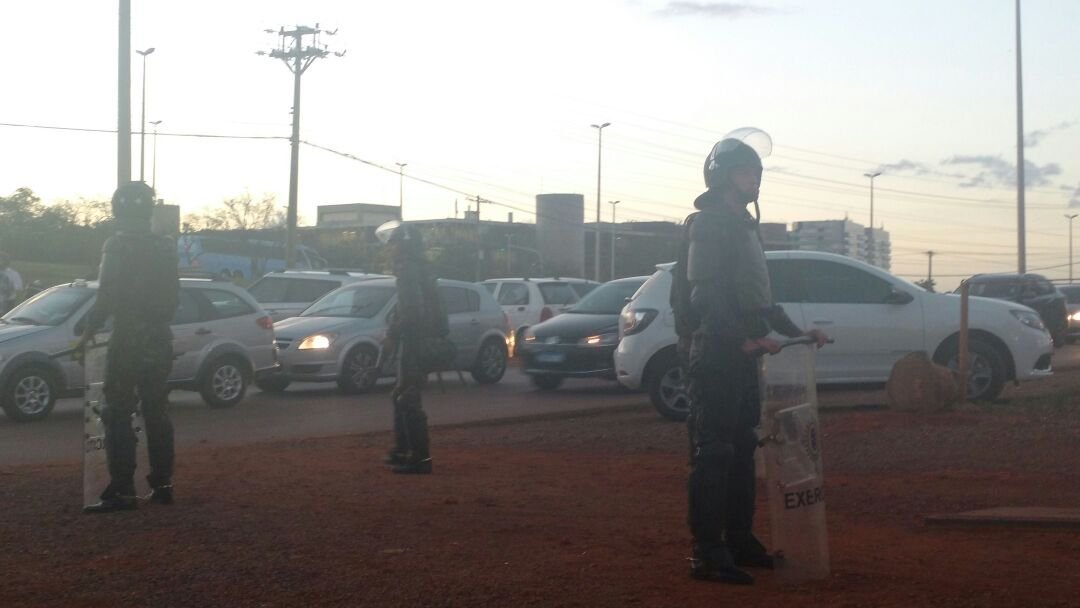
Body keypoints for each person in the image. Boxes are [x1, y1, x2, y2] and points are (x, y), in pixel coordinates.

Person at [672, 128, 827, 584]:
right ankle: (707, 552)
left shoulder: (742, 225)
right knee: (714, 450)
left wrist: (798, 333)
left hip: (739, 353)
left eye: (756, 172)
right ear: (721, 177)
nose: (754, 179)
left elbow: (757, 300)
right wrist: (741, 340)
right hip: (715, 351)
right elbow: (705, 295)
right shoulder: (710, 224)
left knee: (742, 448)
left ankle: (739, 540)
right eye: (745, 172)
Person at [77, 181, 180, 513]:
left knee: (117, 412)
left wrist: (88, 329)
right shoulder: (166, 247)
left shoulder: (117, 246)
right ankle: (163, 484)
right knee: (157, 411)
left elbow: (107, 295)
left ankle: (122, 489)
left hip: (129, 340)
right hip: (160, 338)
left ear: (117, 211)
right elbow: (173, 298)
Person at [376, 220, 449, 475]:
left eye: (394, 244)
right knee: (402, 394)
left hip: (415, 341)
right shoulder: (421, 268)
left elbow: (411, 310)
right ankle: (403, 450)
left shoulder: (407, 269)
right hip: (422, 339)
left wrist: (392, 334)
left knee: (407, 397)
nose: (390, 249)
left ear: (403, 246)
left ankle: (419, 458)